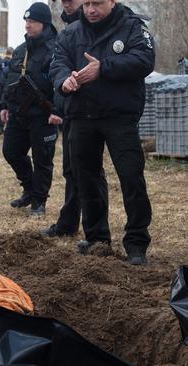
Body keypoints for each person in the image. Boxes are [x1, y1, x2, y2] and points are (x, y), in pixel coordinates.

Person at [50, 0, 155, 265]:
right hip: (81, 116)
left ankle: (136, 243)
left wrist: (104, 67)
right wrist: (65, 81)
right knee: (86, 178)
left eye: (97, 3)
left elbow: (144, 60)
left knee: (131, 176)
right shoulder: (71, 33)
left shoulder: (132, 27)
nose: (91, 10)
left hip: (119, 116)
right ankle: (97, 238)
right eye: (86, 4)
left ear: (112, 1)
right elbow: (57, 63)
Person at [42, 0, 108, 237]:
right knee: (72, 169)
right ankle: (69, 222)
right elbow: (58, 67)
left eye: (71, 0)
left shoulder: (99, 24)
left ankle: (96, 229)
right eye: (62, 0)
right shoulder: (69, 28)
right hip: (72, 107)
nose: (66, 4)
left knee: (89, 170)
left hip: (98, 110)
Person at [0, 2, 58, 216]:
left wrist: (57, 110)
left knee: (42, 159)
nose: (27, 25)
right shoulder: (21, 50)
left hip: (44, 116)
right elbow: (10, 79)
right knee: (11, 152)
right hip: (19, 113)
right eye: (26, 21)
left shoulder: (56, 49)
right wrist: (4, 105)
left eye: (32, 21)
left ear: (44, 23)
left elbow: (61, 83)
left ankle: (39, 201)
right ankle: (29, 188)